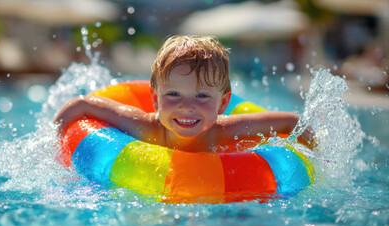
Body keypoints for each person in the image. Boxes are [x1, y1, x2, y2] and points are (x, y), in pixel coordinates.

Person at [54, 35, 313, 153]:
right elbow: (83, 104)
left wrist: (315, 156)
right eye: (174, 94)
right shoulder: (144, 127)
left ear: (223, 103)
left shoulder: (226, 131)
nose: (186, 106)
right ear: (155, 99)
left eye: (201, 96)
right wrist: (54, 143)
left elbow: (291, 121)